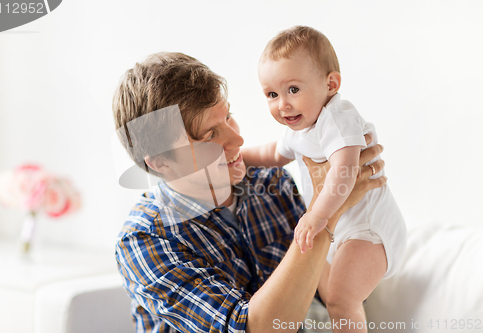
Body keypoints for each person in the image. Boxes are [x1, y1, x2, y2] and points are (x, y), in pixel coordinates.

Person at [113, 51, 387, 333]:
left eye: (228, 117)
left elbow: (327, 289)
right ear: (160, 161)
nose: (237, 139)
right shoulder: (144, 240)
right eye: (210, 135)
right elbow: (252, 329)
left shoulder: (272, 183)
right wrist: (326, 211)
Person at [241, 26, 407, 331]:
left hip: (366, 227)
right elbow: (274, 154)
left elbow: (346, 170)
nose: (283, 104)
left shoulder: (337, 116)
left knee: (341, 301)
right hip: (339, 226)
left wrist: (316, 214)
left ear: (330, 84)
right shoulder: (298, 128)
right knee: (332, 299)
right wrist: (239, 157)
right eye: (272, 94)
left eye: (293, 89)